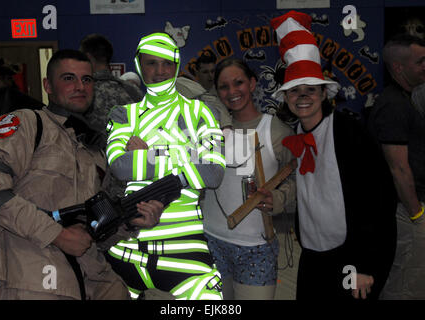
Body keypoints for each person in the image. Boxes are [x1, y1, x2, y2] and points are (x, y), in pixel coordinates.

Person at [0, 49, 164, 300]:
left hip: (93, 277)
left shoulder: (93, 150)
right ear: (48, 86)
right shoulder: (27, 123)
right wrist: (57, 235)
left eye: (86, 80)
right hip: (33, 273)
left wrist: (130, 222)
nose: (80, 86)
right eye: (68, 78)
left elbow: (93, 234)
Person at [271, 11, 397, 300]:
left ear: (325, 94)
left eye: (310, 90)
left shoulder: (349, 134)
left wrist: (366, 266)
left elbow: (379, 201)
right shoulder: (299, 135)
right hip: (313, 257)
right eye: (294, 91)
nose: (302, 96)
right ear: (286, 98)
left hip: (351, 257)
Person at [104, 32, 225, 300]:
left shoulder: (201, 112)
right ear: (139, 65)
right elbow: (121, 167)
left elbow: (213, 172)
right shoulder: (124, 114)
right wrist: (187, 156)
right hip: (128, 247)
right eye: (151, 63)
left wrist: (147, 155)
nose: (160, 71)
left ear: (177, 66)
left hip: (185, 247)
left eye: (167, 63)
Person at [201, 57, 296, 300]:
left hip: (256, 248)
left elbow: (301, 177)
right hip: (212, 241)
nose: (232, 92)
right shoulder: (209, 130)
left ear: (252, 84)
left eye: (239, 83)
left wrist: (280, 197)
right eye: (224, 86)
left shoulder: (276, 130)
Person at [368, 34, 425, 299]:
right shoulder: (392, 105)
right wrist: (417, 215)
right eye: (420, 61)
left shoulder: (408, 100)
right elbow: (398, 169)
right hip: (404, 212)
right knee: (404, 286)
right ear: (399, 68)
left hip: (409, 209)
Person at [80, 33, 144, 200]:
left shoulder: (82, 94)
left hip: (94, 182)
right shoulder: (134, 92)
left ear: (88, 57)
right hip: (132, 178)